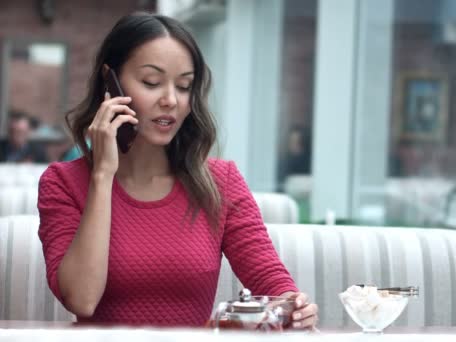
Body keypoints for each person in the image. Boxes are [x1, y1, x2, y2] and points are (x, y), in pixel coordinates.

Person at [37, 12, 318, 328]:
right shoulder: (61, 183)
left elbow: (270, 279)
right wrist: (102, 175)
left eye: (184, 86)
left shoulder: (220, 181)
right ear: (110, 82)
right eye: (151, 82)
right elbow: (82, 299)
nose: (171, 100)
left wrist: (294, 305)